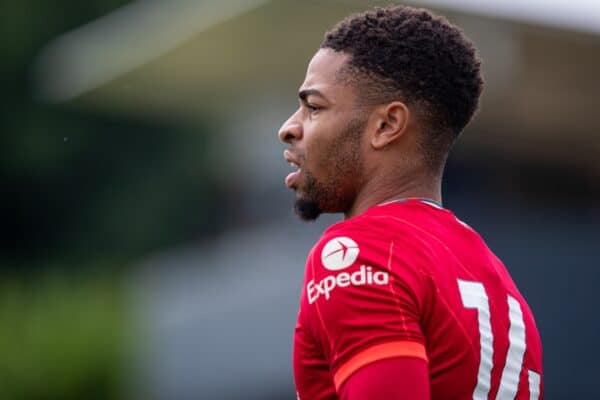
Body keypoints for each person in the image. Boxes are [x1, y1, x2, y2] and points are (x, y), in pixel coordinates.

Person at [277, 5, 543, 400]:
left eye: (314, 107)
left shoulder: (360, 254)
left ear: (386, 126)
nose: (289, 128)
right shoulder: (495, 279)